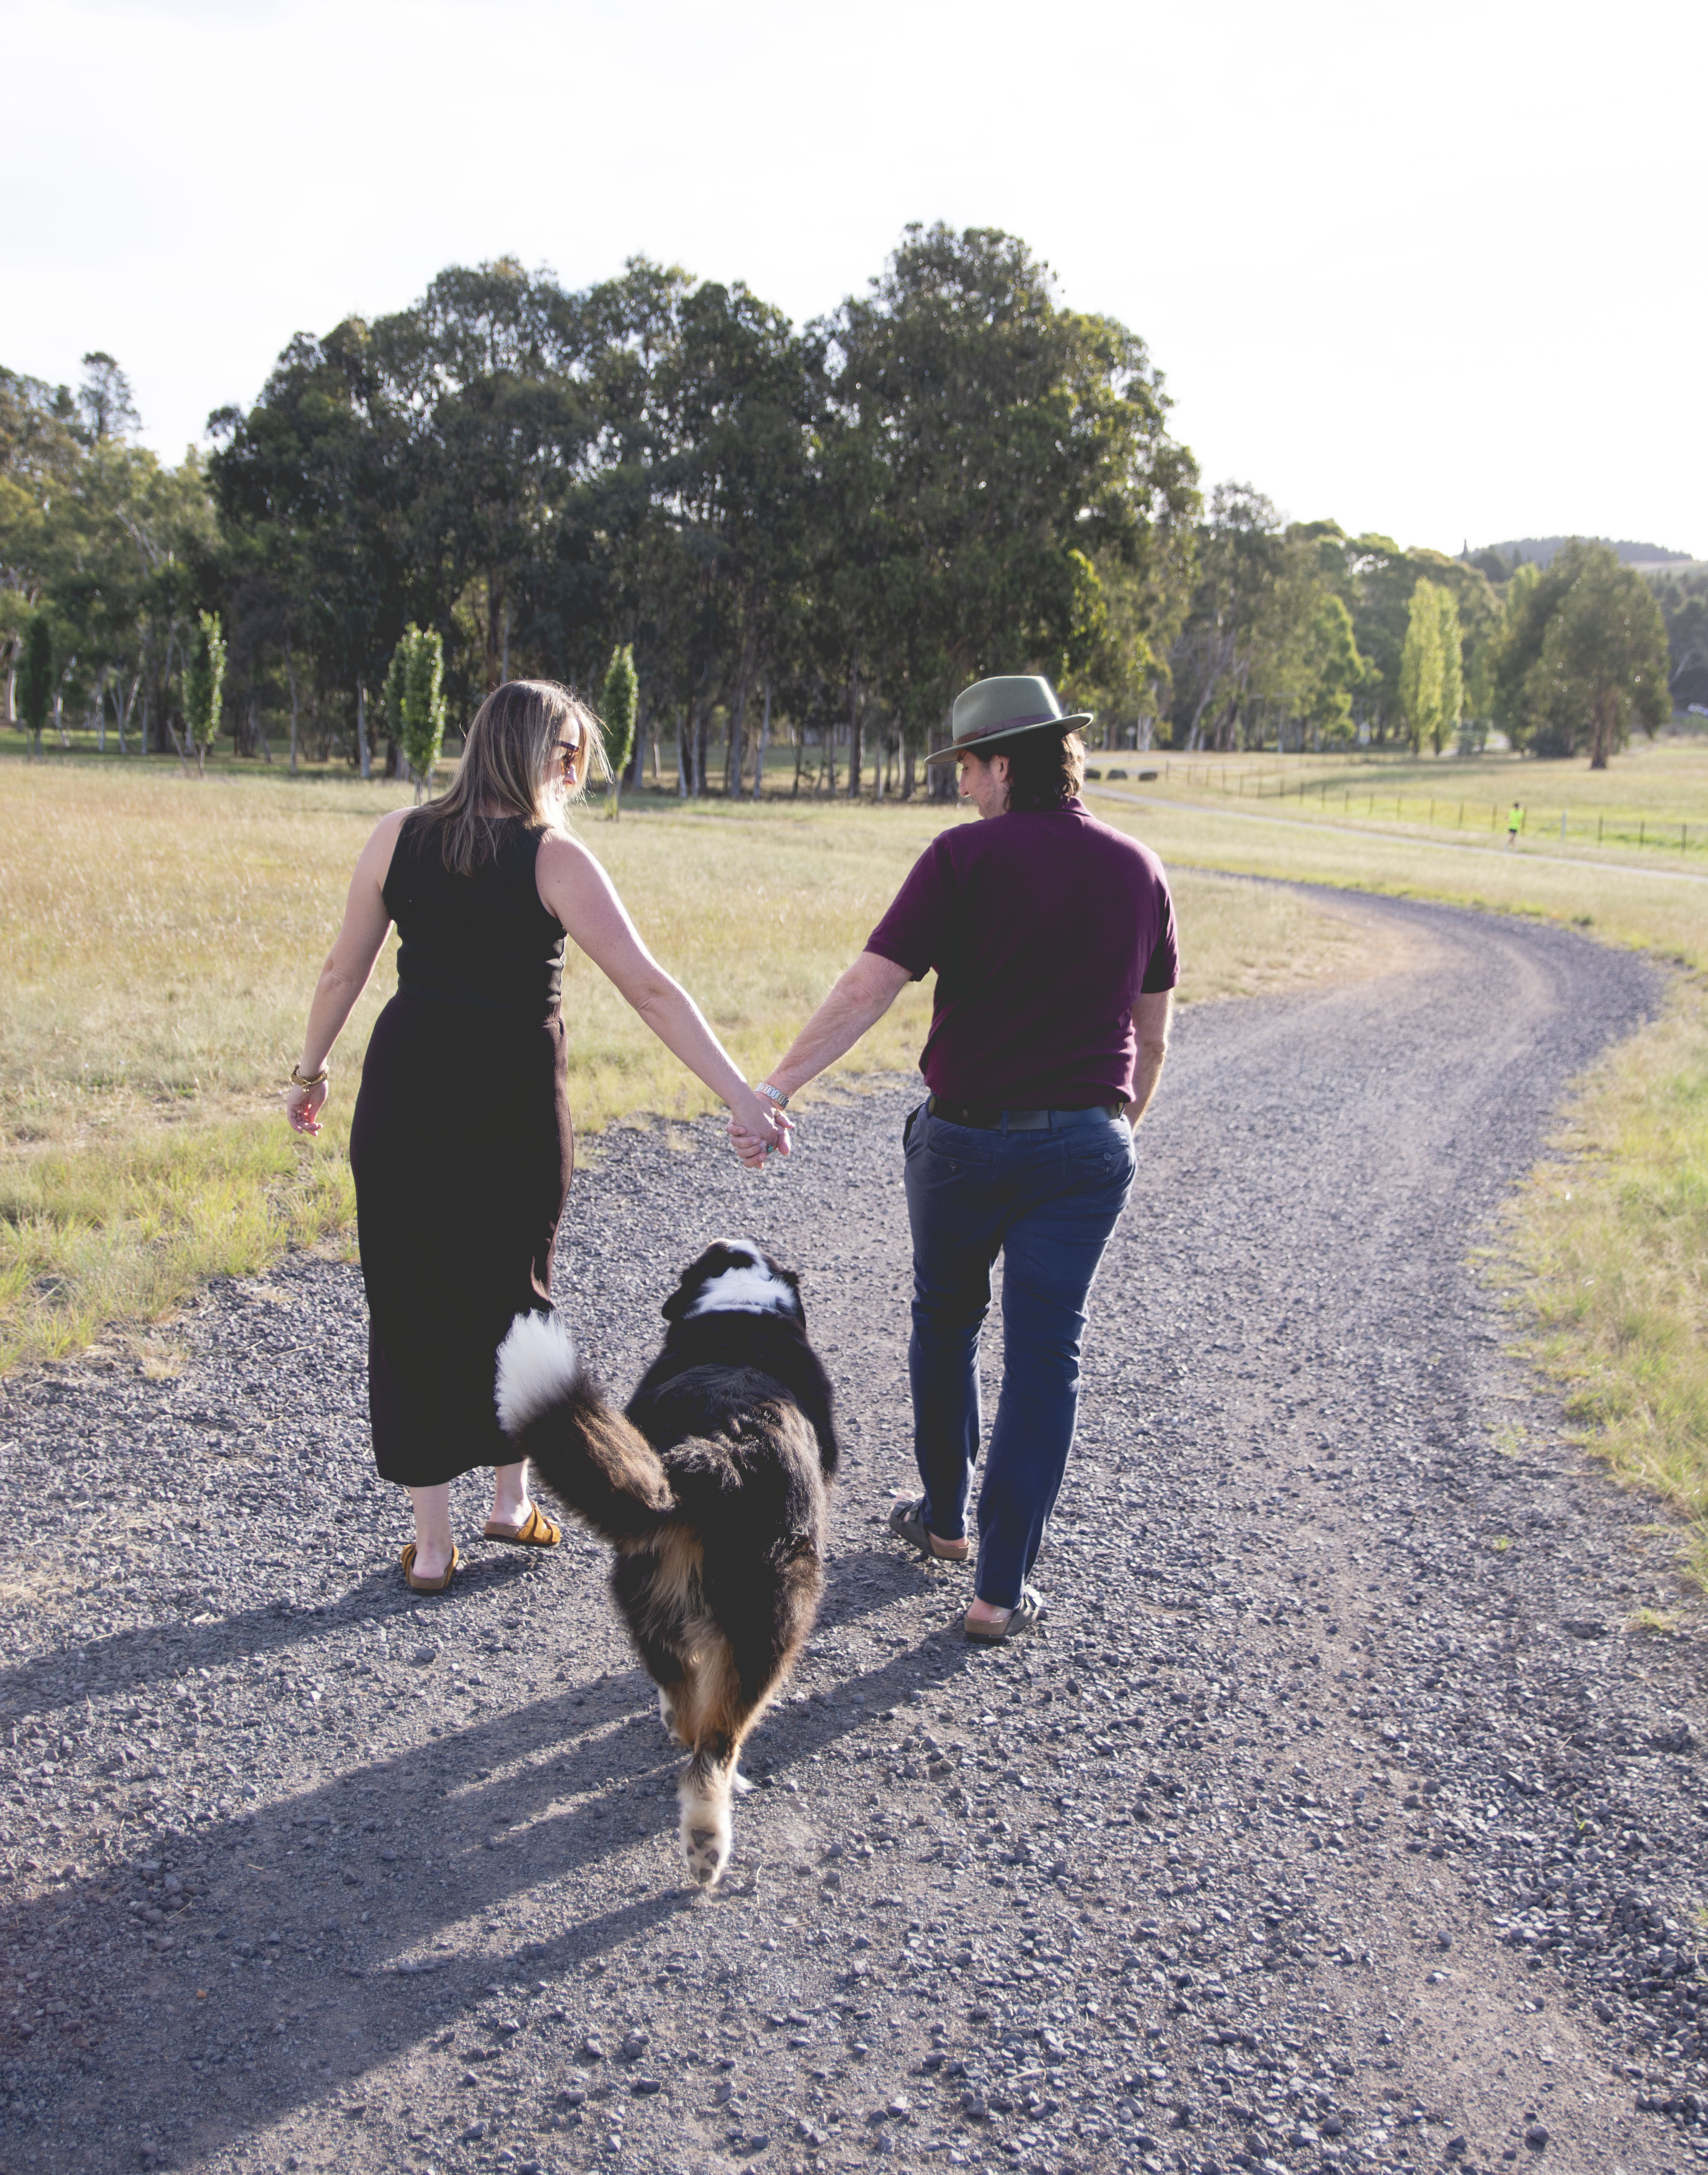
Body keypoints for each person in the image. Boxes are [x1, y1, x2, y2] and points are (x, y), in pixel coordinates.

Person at [286, 678, 786, 1594]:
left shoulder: (396, 836)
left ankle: (432, 1549)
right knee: (516, 1294)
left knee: (410, 1303)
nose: (576, 776)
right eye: (572, 759)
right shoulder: (554, 859)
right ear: (542, 758)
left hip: (403, 1094)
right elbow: (650, 989)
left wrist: (310, 1072)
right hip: (508, 1101)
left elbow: (339, 971)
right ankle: (508, 1503)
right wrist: (739, 1097)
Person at [736, 674, 1176, 1643]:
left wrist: (775, 1089)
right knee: (1045, 1354)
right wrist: (1118, 1133)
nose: (960, 786)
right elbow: (1150, 1037)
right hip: (1086, 1143)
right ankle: (999, 1587)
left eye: (966, 768)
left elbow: (866, 989)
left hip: (964, 1142)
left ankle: (942, 1521)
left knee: (945, 1321)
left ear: (1003, 765)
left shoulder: (961, 860)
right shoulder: (1139, 869)